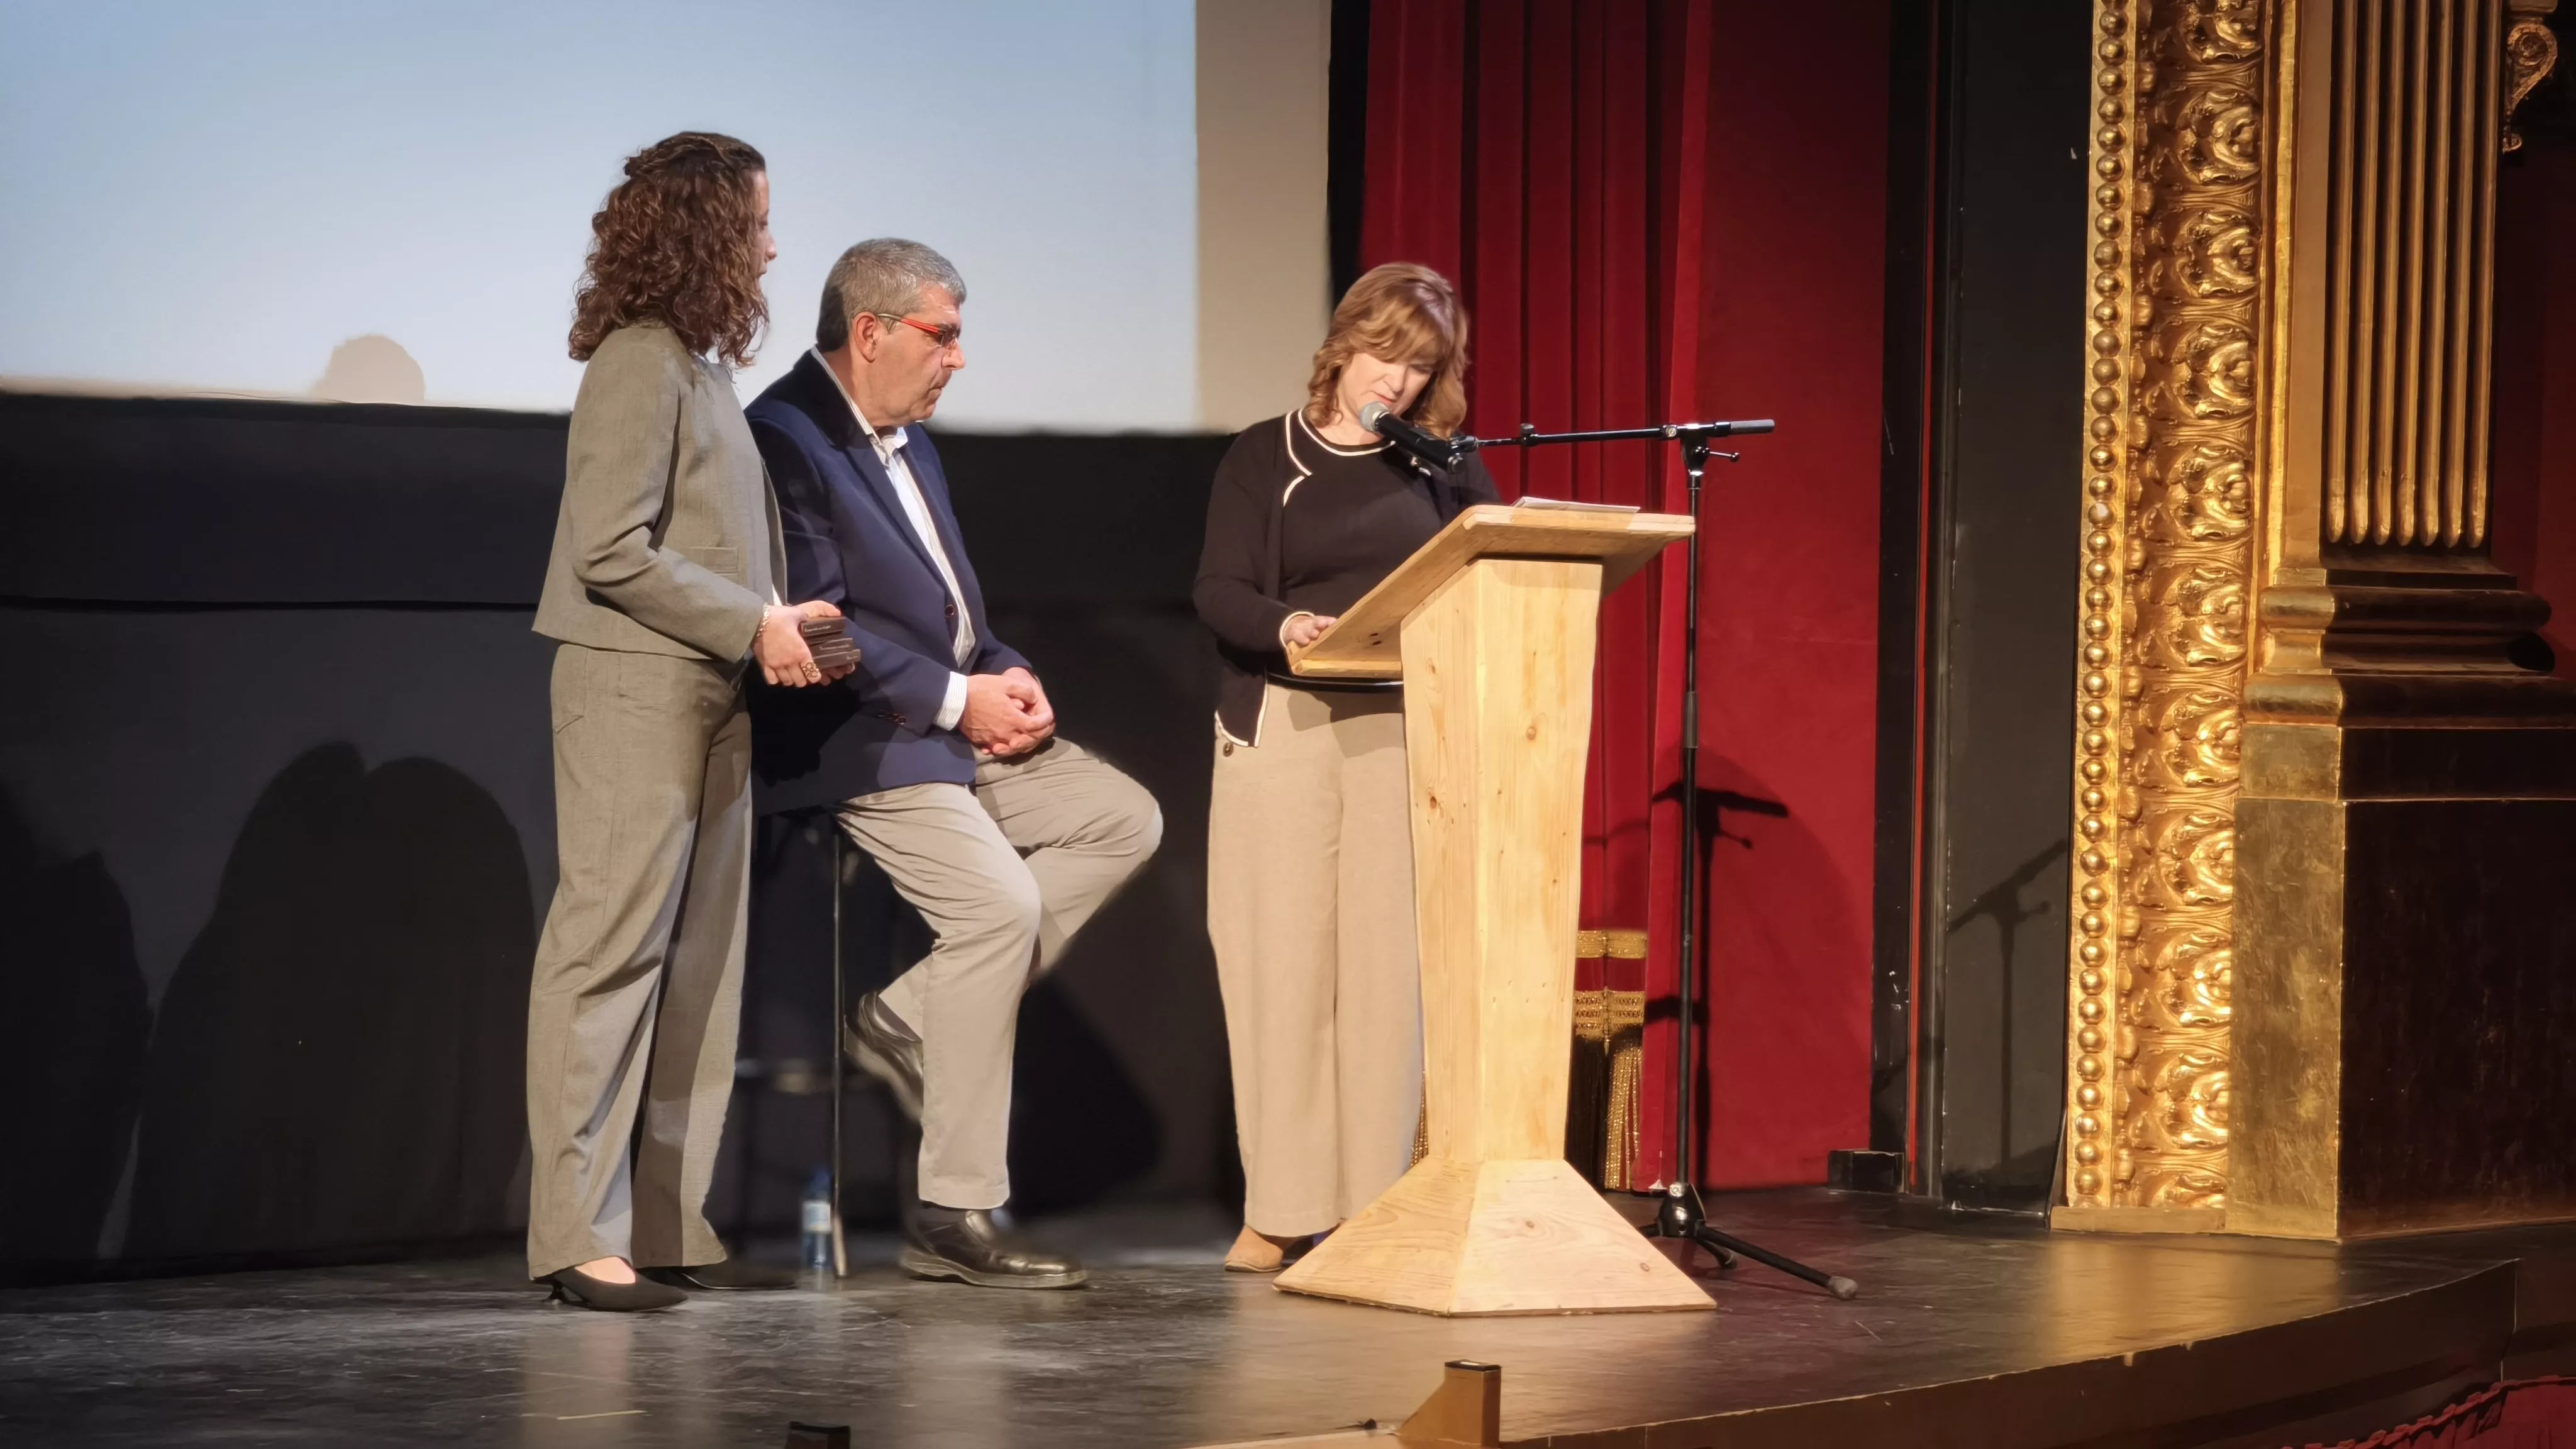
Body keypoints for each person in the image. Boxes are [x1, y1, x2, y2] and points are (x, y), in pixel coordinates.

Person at [747, 238, 1162, 1290]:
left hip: (945, 722)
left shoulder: (910, 437)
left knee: (1125, 818)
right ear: (873, 332)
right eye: (945, 336)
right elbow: (819, 629)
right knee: (996, 913)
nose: (959, 359)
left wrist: (1005, 673)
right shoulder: (786, 437)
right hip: (859, 736)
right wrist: (954, 700)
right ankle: (952, 1214)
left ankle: (906, 1017)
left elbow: (951, 608)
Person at [524, 133, 850, 1311]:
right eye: (758, 222)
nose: (772, 244)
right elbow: (606, 548)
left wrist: (775, 618)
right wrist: (749, 618)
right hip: (631, 684)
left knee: (698, 967)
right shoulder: (639, 359)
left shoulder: (703, 366)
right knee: (609, 952)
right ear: (710, 230)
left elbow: (702, 541)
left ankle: (660, 1221)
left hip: (709, 687)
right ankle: (576, 1231)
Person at [1192, 264, 1497, 1274]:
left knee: (1382, 980)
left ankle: (1373, 1208)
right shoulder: (1262, 456)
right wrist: (1293, 625)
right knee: (1280, 968)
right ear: (1344, 343)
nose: (1400, 385)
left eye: (1422, 368)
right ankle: (1280, 1209)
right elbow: (1221, 591)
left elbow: (1496, 565)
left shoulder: (1440, 466)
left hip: (1401, 730)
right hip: (1285, 721)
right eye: (1388, 357)